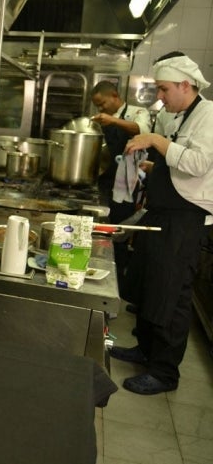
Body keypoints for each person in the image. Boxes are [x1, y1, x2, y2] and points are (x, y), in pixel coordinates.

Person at [109, 51, 213, 395]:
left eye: (165, 89)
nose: (161, 97)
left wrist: (155, 140)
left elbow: (199, 164)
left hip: (185, 220)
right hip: (162, 212)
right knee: (147, 284)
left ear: (186, 85)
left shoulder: (209, 116)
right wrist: (155, 168)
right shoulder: (175, 115)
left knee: (170, 295)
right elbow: (177, 163)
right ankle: (145, 349)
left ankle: (165, 372)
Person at [90, 80, 151, 287]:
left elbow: (140, 130)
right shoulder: (104, 120)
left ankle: (118, 281)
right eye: (97, 106)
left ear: (114, 95)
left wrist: (112, 121)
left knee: (120, 233)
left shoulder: (137, 112)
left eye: (102, 103)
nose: (101, 109)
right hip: (104, 179)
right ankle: (99, 269)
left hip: (127, 183)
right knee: (103, 229)